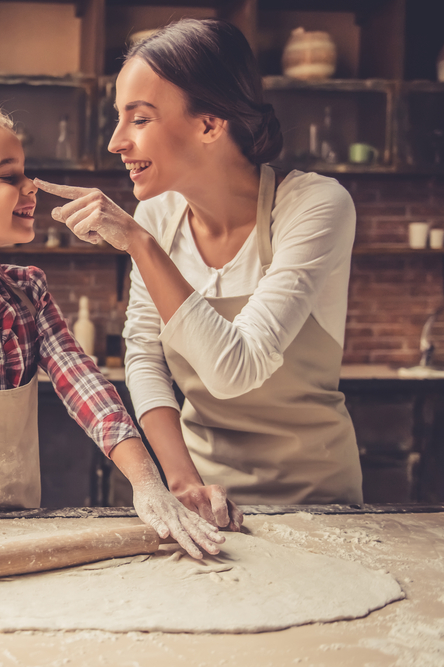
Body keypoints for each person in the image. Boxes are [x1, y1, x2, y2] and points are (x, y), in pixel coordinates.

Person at [0, 101, 225, 613]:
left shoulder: (27, 291)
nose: (31, 187)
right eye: (9, 177)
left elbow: (85, 384)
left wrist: (149, 486)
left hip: (20, 532)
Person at [36, 18, 363, 531]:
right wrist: (182, 479)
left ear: (210, 125)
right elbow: (143, 352)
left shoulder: (314, 206)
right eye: (118, 119)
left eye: (139, 119)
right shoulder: (158, 217)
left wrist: (139, 245)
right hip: (206, 496)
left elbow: (237, 368)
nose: (116, 142)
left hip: (318, 502)